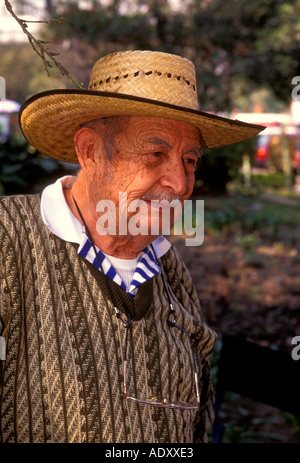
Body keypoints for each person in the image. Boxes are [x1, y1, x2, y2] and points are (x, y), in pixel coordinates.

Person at [0, 50, 263, 444]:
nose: (179, 181)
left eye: (189, 160)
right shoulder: (10, 240)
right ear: (89, 151)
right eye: (155, 154)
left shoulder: (171, 273)